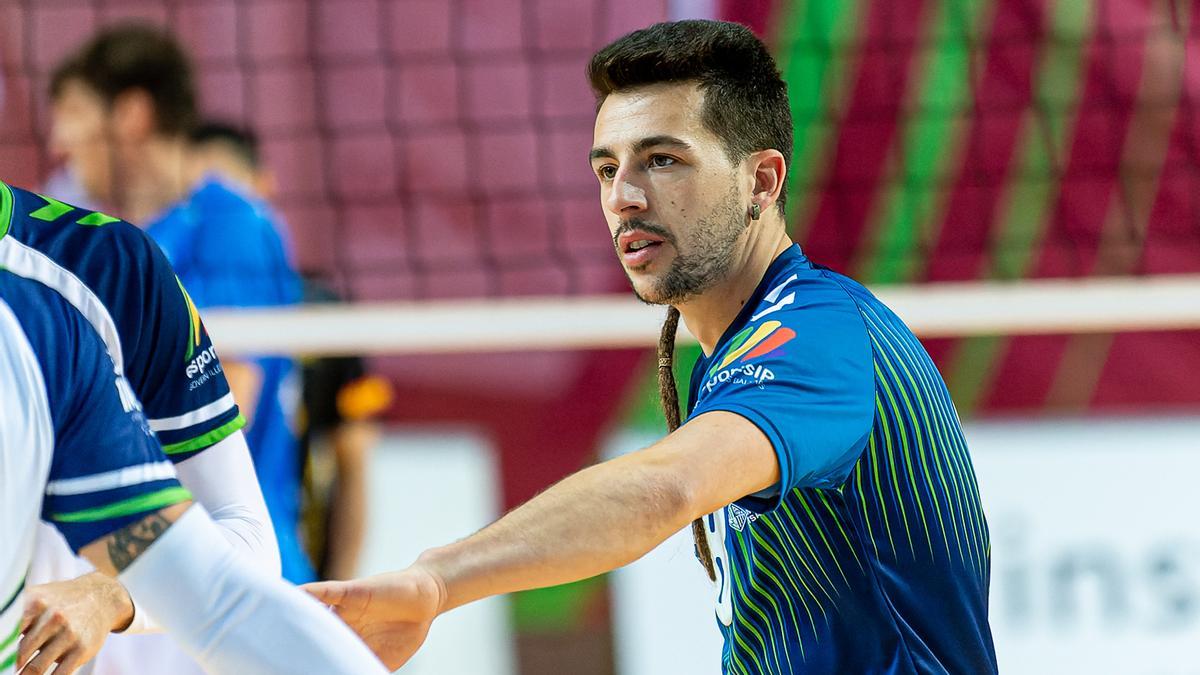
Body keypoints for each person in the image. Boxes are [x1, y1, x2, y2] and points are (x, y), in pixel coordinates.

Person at [307, 20, 997, 674]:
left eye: (662, 160)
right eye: (608, 169)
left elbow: (667, 484)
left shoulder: (815, 333)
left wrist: (435, 578)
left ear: (761, 181)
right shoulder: (733, 346)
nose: (624, 197)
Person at [0, 265, 387, 674]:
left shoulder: (219, 233)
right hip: (152, 589)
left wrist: (108, 592)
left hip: (217, 584)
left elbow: (346, 464)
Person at [48, 24, 316, 589]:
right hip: (144, 568)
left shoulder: (229, 223)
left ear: (132, 114)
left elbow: (230, 397)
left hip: (236, 572)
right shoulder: (109, 242)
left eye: (73, 111)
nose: (58, 140)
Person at [186, 119, 393, 580]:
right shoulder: (174, 305)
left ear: (264, 188)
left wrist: (344, 588)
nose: (217, 218)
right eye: (199, 200)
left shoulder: (324, 316)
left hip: (286, 561)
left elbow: (353, 464)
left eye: (229, 193)